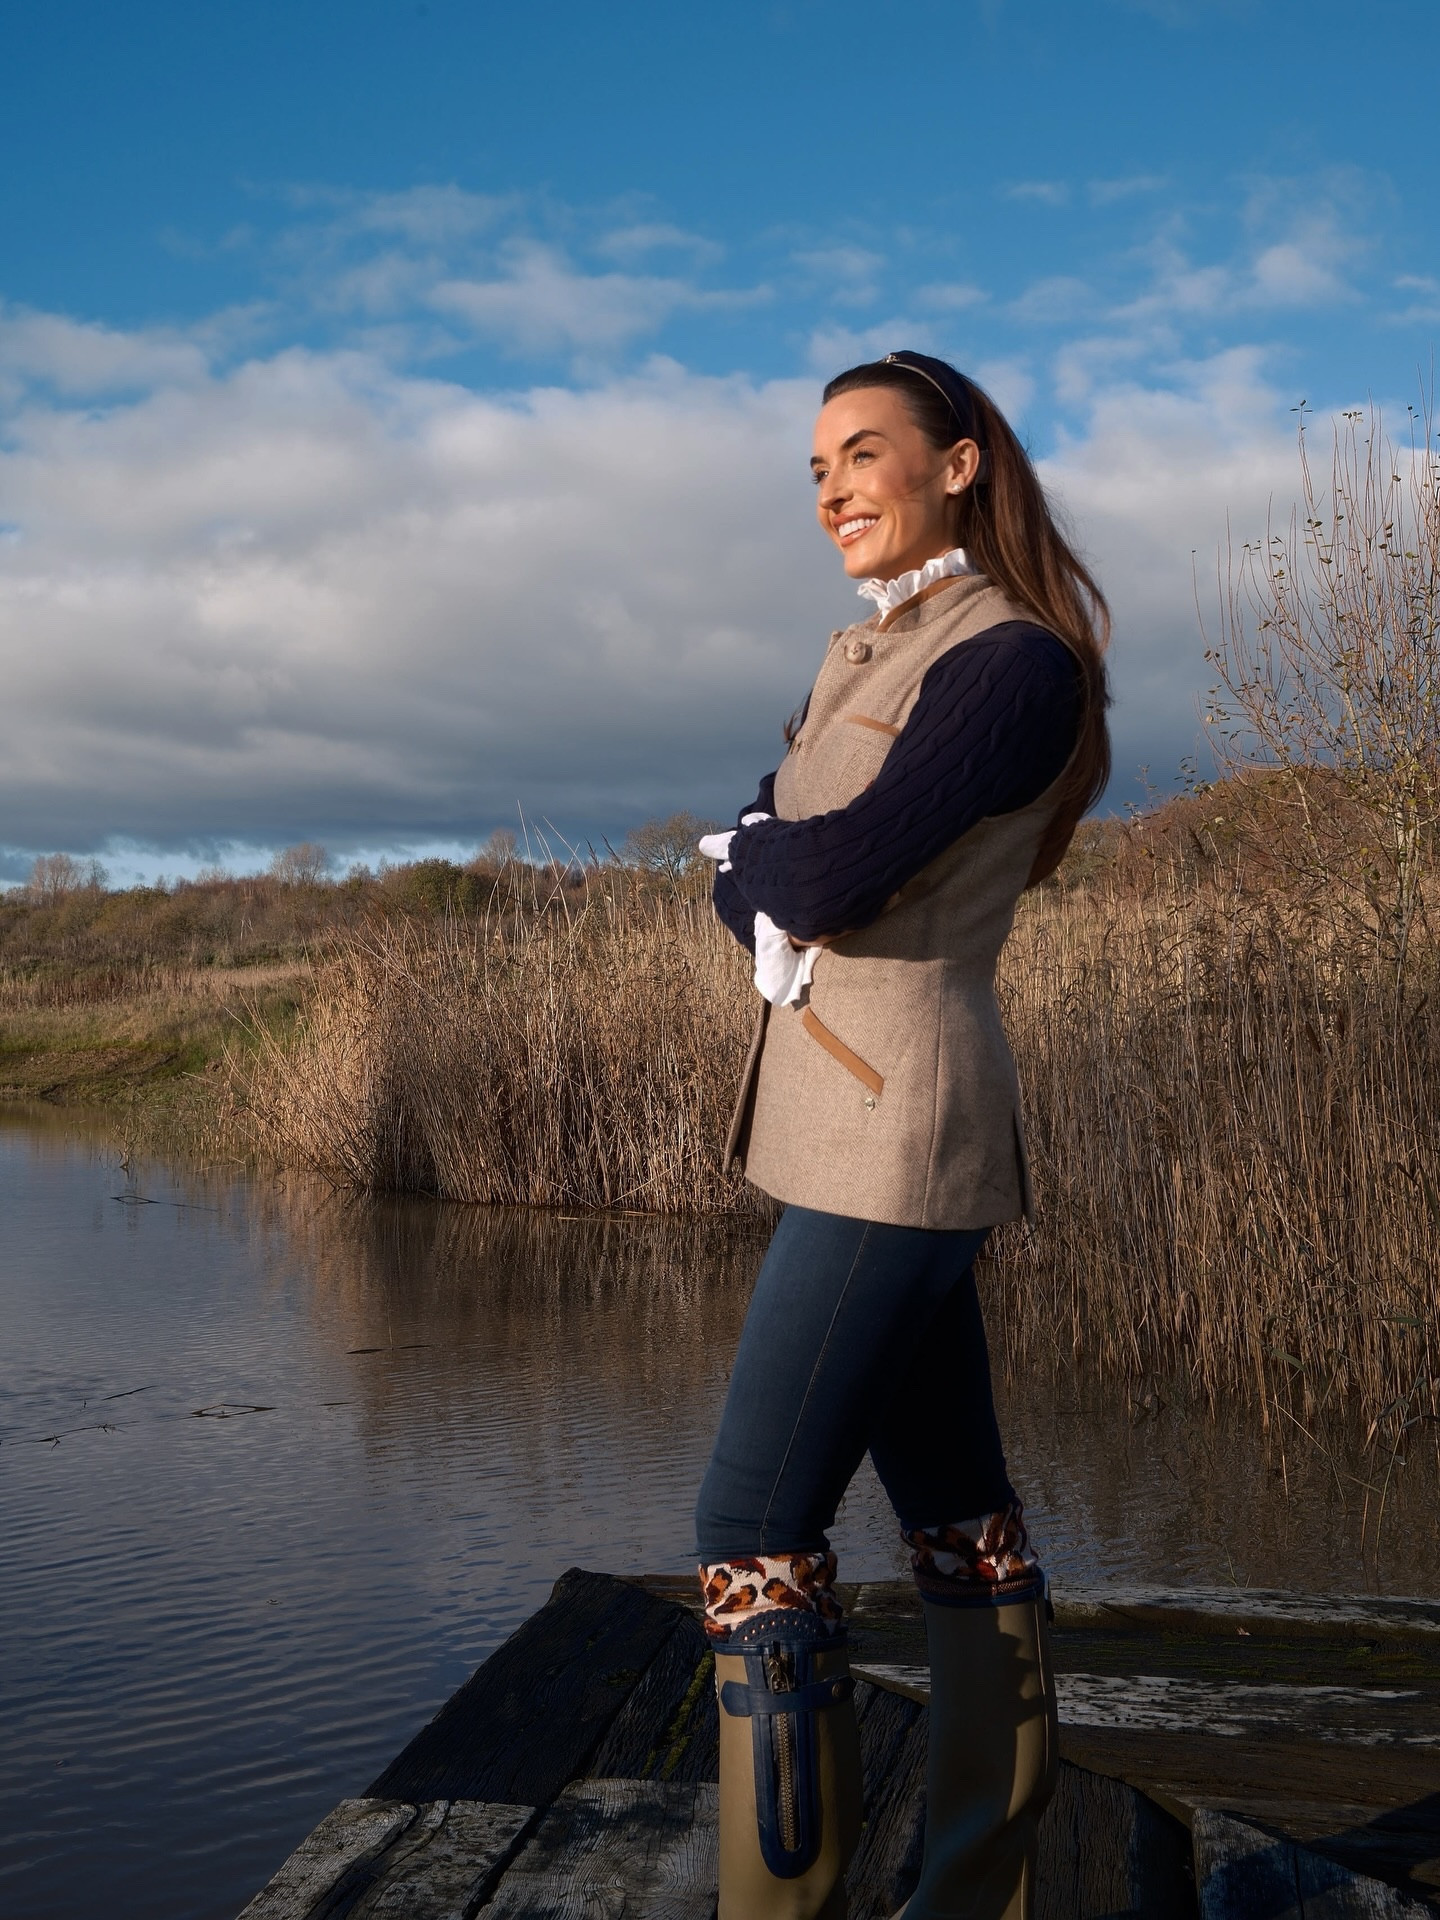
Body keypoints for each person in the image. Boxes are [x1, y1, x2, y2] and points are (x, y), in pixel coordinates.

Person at [694, 350, 1111, 1920]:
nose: (832, 489)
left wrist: (761, 863)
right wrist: (766, 865)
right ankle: (977, 1895)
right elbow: (760, 865)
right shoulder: (863, 654)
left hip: (904, 1134)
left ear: (958, 462)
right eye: (815, 469)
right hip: (842, 1126)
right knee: (956, 1515)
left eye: (862, 452)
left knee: (751, 1525)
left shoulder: (1014, 666)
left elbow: (803, 873)